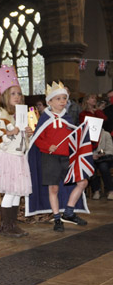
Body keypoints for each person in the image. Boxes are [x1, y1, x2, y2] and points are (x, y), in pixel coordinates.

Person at [26, 82, 90, 231]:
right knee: (53, 188)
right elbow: (38, 139)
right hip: (50, 158)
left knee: (82, 183)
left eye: (64, 98)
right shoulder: (44, 118)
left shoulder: (68, 118)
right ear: (49, 102)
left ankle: (68, 212)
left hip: (67, 158)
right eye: (58, 98)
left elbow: (74, 137)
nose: (62, 101)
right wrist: (48, 147)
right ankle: (57, 218)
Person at [0, 65, 33, 237]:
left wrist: (27, 134)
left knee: (17, 191)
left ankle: (12, 224)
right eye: (13, 93)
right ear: (5, 95)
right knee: (10, 191)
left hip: (19, 156)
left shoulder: (21, 114)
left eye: (19, 94)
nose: (17, 97)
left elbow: (23, 139)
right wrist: (9, 132)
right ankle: (5, 226)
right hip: (7, 156)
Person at [90, 129, 113, 200]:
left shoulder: (106, 134)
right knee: (90, 168)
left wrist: (98, 154)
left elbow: (110, 150)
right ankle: (96, 191)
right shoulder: (87, 135)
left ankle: (110, 191)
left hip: (104, 158)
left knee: (103, 167)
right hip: (92, 159)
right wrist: (92, 155)